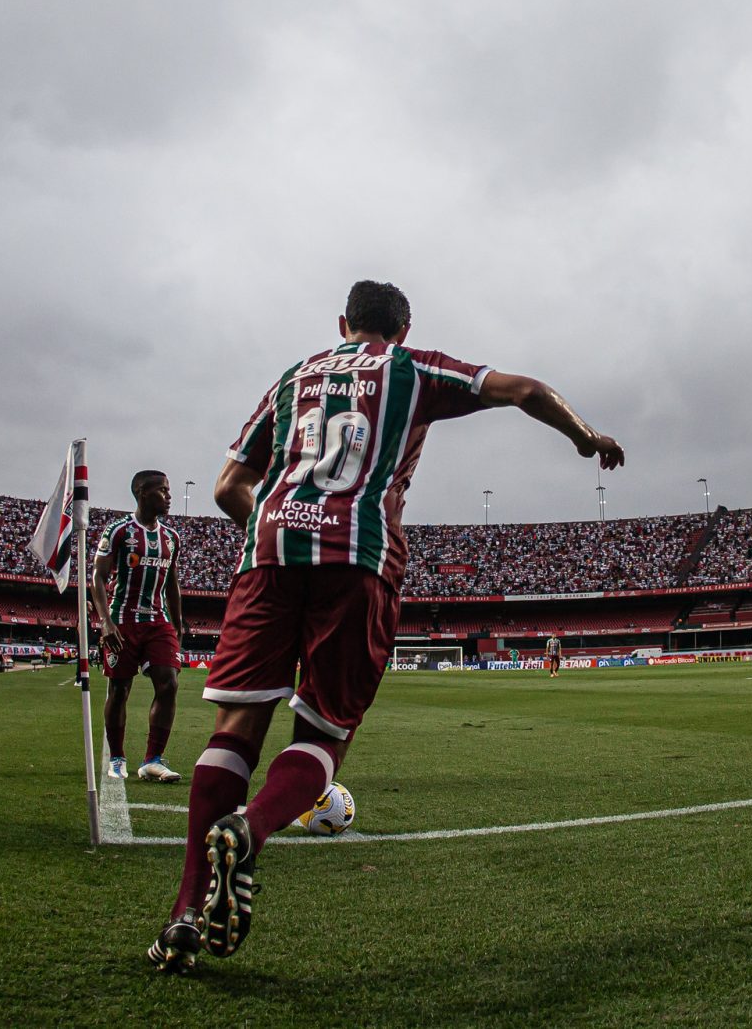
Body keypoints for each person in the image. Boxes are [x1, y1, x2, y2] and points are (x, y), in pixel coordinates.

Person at [146, 280, 624, 973]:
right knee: (323, 732)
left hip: (270, 552)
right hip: (358, 555)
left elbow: (226, 486)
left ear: (342, 322)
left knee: (234, 731)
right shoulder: (412, 367)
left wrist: (276, 525)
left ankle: (183, 914)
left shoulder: (293, 377)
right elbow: (523, 390)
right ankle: (249, 830)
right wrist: (585, 437)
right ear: (402, 329)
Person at [89, 470, 185, 783]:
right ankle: (117, 758)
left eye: (169, 491)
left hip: (158, 621)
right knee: (119, 689)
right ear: (142, 492)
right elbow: (97, 578)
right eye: (163, 491)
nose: (169, 496)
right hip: (123, 620)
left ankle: (153, 760)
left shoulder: (171, 538)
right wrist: (105, 622)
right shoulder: (118, 531)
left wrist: (178, 624)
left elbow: (172, 584)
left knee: (168, 684)